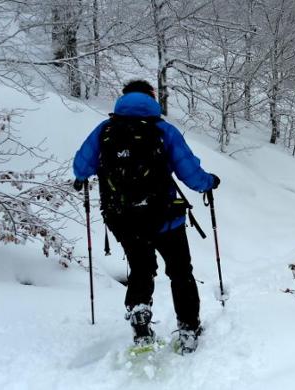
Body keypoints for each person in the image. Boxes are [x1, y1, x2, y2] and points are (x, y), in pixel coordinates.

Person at [72, 79, 220, 353]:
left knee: (141, 267)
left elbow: (81, 165)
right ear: (152, 98)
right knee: (179, 271)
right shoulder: (163, 130)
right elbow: (190, 172)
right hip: (164, 216)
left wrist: (82, 178)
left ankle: (140, 318)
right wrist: (209, 182)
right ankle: (188, 329)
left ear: (123, 98)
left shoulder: (105, 130)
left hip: (122, 217)